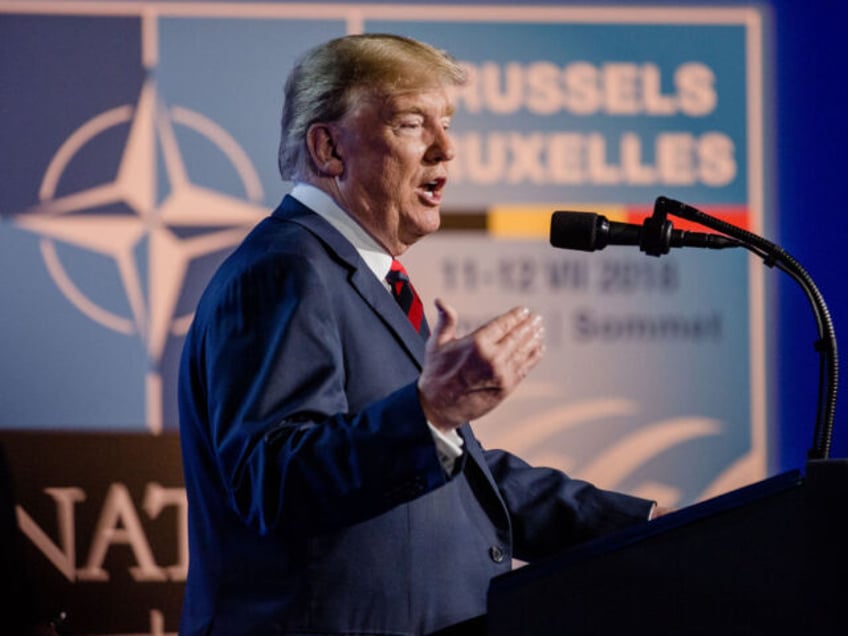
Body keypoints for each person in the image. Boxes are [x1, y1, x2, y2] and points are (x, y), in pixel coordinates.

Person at [178, 33, 657, 635]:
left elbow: (465, 480)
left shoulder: (356, 277)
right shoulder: (287, 269)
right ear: (329, 148)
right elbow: (275, 481)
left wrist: (648, 527)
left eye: (448, 124)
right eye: (412, 124)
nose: (446, 150)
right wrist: (429, 414)